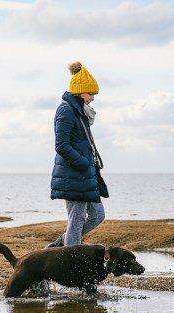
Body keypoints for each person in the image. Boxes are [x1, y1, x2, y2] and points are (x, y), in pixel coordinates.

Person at [47, 61, 106, 247]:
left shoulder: (80, 113)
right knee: (77, 219)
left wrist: (89, 166)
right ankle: (70, 262)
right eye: (90, 94)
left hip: (85, 174)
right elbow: (61, 145)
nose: (93, 98)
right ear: (79, 92)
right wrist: (82, 163)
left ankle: (63, 243)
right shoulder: (66, 111)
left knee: (97, 215)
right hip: (74, 174)